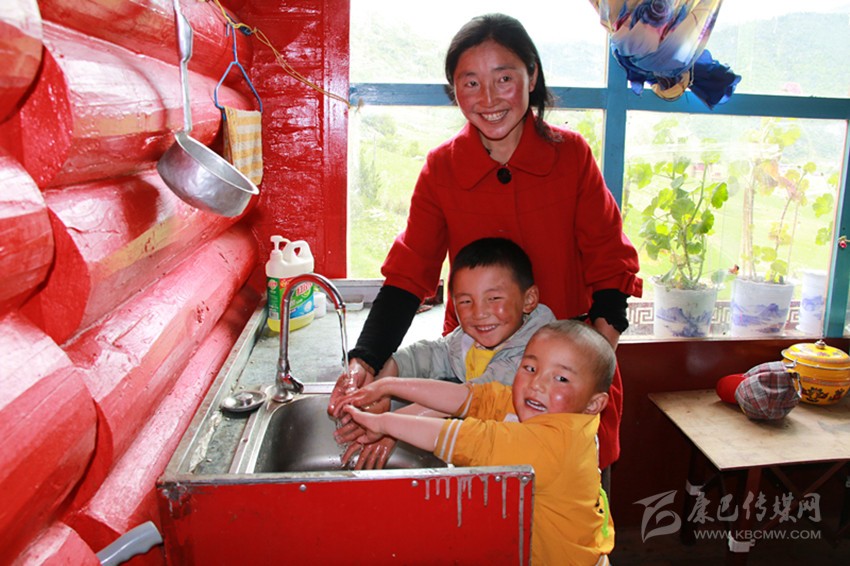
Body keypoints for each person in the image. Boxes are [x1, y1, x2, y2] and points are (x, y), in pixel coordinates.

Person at [329, 13, 642, 483]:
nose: (488, 99)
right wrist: (365, 361)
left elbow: (609, 265)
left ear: (531, 76)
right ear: (454, 90)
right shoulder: (442, 169)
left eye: (504, 79)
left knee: (572, 509)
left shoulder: (571, 156)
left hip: (563, 385)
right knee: (484, 509)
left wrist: (587, 366)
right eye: (470, 83)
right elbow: (408, 277)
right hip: (472, 367)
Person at [334, 320, 616, 566]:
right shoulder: (550, 410)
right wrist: (387, 385)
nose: (537, 384)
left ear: (594, 404)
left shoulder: (556, 443)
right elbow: (473, 398)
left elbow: (469, 439)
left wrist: (384, 423)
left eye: (561, 378)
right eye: (530, 367)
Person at [336, 236, 556, 468]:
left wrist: (391, 425)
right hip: (490, 454)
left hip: (534, 467)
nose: (479, 313)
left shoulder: (535, 354)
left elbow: (465, 398)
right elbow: (429, 355)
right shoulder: (469, 340)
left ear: (529, 299)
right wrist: (382, 379)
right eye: (466, 301)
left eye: (493, 298)